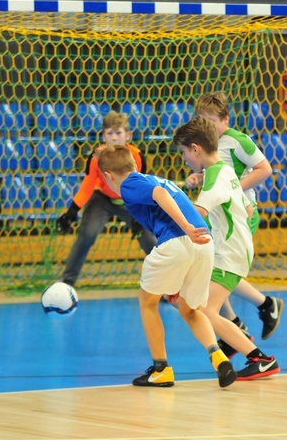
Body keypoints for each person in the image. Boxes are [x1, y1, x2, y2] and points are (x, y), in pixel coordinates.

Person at [96, 144, 237, 388]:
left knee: (147, 302)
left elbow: (159, 196)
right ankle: (218, 356)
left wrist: (186, 229)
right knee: (191, 310)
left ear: (108, 176)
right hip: (204, 245)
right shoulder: (153, 178)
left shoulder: (129, 185)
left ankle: (161, 369)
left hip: (181, 239)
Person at [173, 117, 280, 381]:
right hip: (229, 250)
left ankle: (261, 359)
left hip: (229, 254)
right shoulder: (222, 169)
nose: (184, 158)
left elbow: (195, 219)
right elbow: (245, 204)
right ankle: (246, 348)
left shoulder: (213, 183)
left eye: (185, 152)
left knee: (206, 310)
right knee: (196, 305)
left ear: (195, 149)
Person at [186, 93, 284, 348]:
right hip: (223, 212)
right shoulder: (209, 144)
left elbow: (265, 169)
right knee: (214, 265)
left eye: (211, 121)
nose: (207, 126)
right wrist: (199, 178)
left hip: (242, 212)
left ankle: (263, 306)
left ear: (225, 119)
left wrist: (232, 189)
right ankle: (235, 322)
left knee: (225, 265)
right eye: (202, 121)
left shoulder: (238, 141)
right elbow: (215, 171)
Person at [55, 110, 157, 287]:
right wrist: (72, 211)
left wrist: (141, 214)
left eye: (119, 133)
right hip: (102, 199)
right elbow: (88, 185)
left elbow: (143, 187)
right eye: (110, 133)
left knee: (149, 239)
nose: (115, 138)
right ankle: (67, 283)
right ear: (103, 136)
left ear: (128, 135)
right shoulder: (96, 157)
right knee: (87, 235)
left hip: (130, 200)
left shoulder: (137, 156)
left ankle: (165, 285)